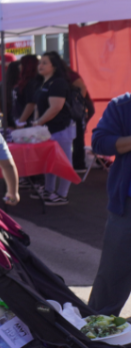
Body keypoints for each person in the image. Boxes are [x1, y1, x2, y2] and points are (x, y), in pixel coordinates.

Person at [88, 92, 131, 316]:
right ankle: (96, 326)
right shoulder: (123, 105)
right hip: (127, 206)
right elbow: (99, 143)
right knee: (113, 273)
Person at [18, 51, 75, 206]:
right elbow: (38, 106)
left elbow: (56, 107)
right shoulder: (42, 83)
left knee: (64, 162)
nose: (40, 66)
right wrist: (38, 122)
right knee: (48, 161)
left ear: (54, 66)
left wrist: (39, 122)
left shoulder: (58, 83)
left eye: (44, 63)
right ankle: (49, 190)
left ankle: (62, 194)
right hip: (47, 130)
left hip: (61, 128)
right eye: (40, 62)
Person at [68, 69, 94, 172]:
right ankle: (78, 163)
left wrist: (77, 103)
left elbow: (82, 87)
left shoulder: (69, 75)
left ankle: (79, 164)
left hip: (77, 110)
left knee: (78, 136)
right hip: (77, 110)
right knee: (77, 135)